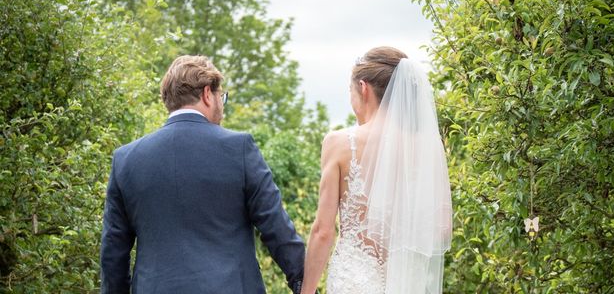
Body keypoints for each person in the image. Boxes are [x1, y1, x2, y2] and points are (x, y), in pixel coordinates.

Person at [100, 55, 306, 293]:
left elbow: (113, 252)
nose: (222, 105)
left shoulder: (126, 160)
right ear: (208, 94)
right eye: (222, 97)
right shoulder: (239, 148)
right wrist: (302, 283)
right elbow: (276, 226)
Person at [301, 47, 453, 294]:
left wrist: (306, 291)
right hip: (405, 282)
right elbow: (442, 228)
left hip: (353, 282)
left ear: (363, 88)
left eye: (350, 92)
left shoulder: (340, 143)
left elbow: (323, 231)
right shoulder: (425, 147)